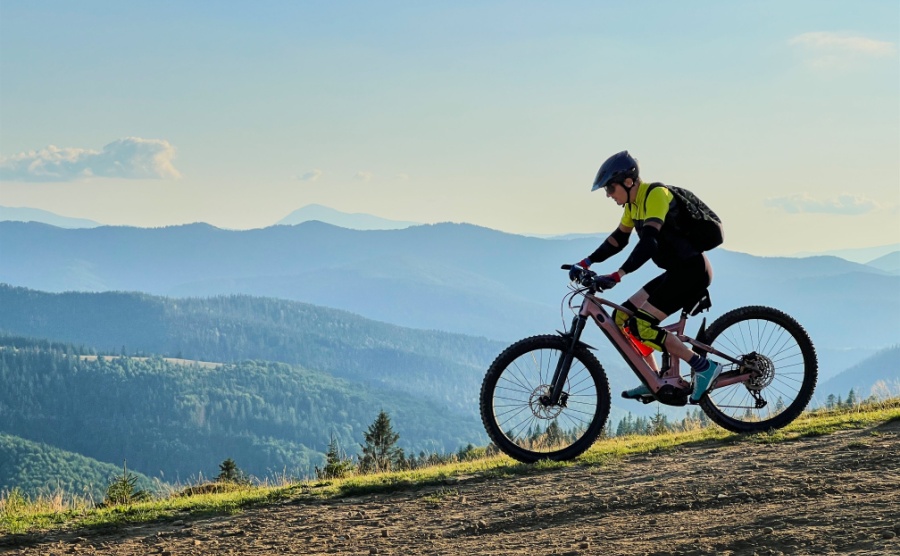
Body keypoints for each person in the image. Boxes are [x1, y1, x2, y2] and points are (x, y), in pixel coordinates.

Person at [569, 150, 720, 404]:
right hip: (676, 272)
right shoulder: (632, 205)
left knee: (642, 325)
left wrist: (619, 274)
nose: (608, 195)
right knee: (621, 318)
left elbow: (649, 243)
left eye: (610, 188)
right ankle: (653, 380)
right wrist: (585, 262)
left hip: (692, 271)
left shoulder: (656, 195)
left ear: (629, 182)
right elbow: (617, 240)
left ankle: (704, 367)